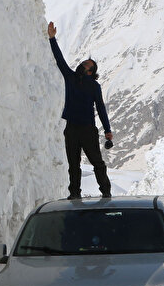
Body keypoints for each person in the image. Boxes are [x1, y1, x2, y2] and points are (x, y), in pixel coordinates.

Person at [47, 21, 114, 198]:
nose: (81, 64)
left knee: (97, 162)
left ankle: (106, 192)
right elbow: (59, 59)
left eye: (85, 64)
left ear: (90, 71)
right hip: (71, 128)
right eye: (83, 62)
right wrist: (52, 39)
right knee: (73, 164)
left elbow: (101, 108)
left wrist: (107, 130)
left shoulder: (94, 86)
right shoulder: (70, 78)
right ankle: (74, 194)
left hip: (87, 129)